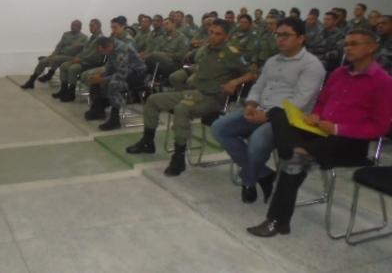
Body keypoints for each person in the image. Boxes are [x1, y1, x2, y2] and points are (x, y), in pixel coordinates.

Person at [247, 29, 392, 237]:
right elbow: (322, 102)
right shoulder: (340, 73)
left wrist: (337, 128)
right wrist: (315, 115)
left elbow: (380, 127)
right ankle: (295, 149)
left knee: (294, 161)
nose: (348, 48)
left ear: (372, 47)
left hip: (348, 142)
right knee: (278, 112)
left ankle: (276, 220)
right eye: (346, 44)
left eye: (354, 44)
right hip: (319, 131)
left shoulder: (383, 81)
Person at [211, 18, 325, 204]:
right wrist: (251, 104)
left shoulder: (312, 66)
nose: (280, 39)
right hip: (260, 109)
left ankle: (248, 180)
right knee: (219, 128)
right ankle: (264, 174)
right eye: (278, 35)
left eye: (286, 35)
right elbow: (259, 85)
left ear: (301, 38)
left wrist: (267, 116)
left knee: (257, 141)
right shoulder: (273, 60)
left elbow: (300, 101)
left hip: (286, 119)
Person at [126, 19, 256, 176]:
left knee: (182, 109)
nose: (213, 36)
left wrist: (235, 82)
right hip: (194, 92)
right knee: (153, 100)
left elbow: (252, 73)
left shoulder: (231, 53)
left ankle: (178, 157)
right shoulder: (206, 49)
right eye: (211, 32)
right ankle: (148, 142)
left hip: (212, 99)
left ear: (227, 36)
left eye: (218, 34)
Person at [84, 37, 147, 130]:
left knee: (114, 84)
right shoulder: (112, 46)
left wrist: (102, 79)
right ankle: (99, 109)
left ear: (109, 46)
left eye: (103, 51)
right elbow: (110, 65)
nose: (103, 54)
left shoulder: (122, 50)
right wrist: (100, 75)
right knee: (95, 80)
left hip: (136, 75)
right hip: (124, 72)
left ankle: (115, 118)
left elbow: (122, 74)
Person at [21, 20, 87, 89]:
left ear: (80, 27)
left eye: (75, 26)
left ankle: (50, 74)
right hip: (60, 54)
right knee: (43, 61)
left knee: (56, 59)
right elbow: (59, 46)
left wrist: (81, 45)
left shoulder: (84, 37)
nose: (72, 27)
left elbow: (86, 48)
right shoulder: (66, 34)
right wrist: (53, 54)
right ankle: (31, 81)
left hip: (71, 57)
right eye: (72, 25)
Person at [53, 19, 104, 101]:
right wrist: (77, 57)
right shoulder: (91, 37)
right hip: (83, 61)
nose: (90, 28)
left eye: (92, 26)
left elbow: (94, 55)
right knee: (64, 66)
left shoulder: (101, 39)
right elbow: (84, 51)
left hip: (91, 63)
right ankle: (63, 89)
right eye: (89, 26)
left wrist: (80, 59)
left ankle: (71, 93)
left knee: (73, 68)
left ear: (98, 27)